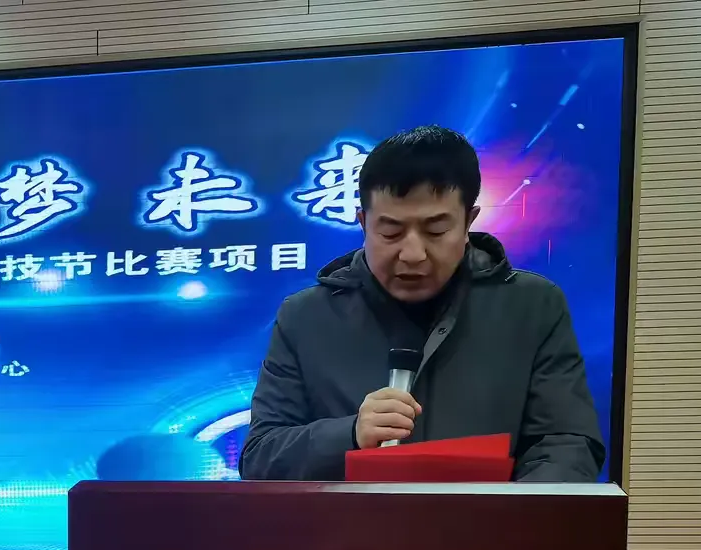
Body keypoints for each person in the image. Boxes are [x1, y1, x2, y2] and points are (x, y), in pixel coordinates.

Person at [240, 125, 605, 483]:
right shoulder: (306, 317)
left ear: (469, 221)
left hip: (490, 524)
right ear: (363, 223)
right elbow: (260, 456)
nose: (412, 254)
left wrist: (507, 514)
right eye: (390, 232)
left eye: (435, 231)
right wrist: (349, 434)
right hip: (349, 526)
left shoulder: (532, 306)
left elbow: (567, 444)